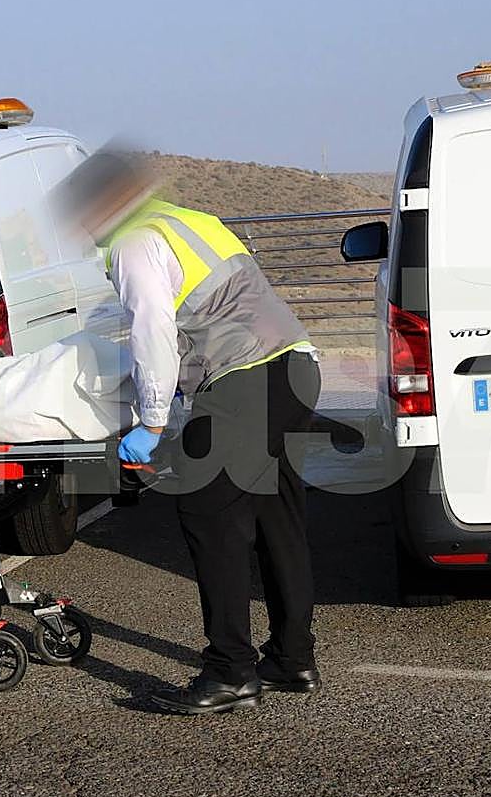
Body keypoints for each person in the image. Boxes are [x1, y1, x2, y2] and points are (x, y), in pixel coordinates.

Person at [54, 151, 322, 714]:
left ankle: (229, 672)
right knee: (278, 519)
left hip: (243, 380)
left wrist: (151, 422)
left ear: (103, 205)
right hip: (296, 369)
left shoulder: (132, 242)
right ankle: (292, 659)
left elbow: (153, 328)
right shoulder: (190, 222)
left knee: (208, 515)